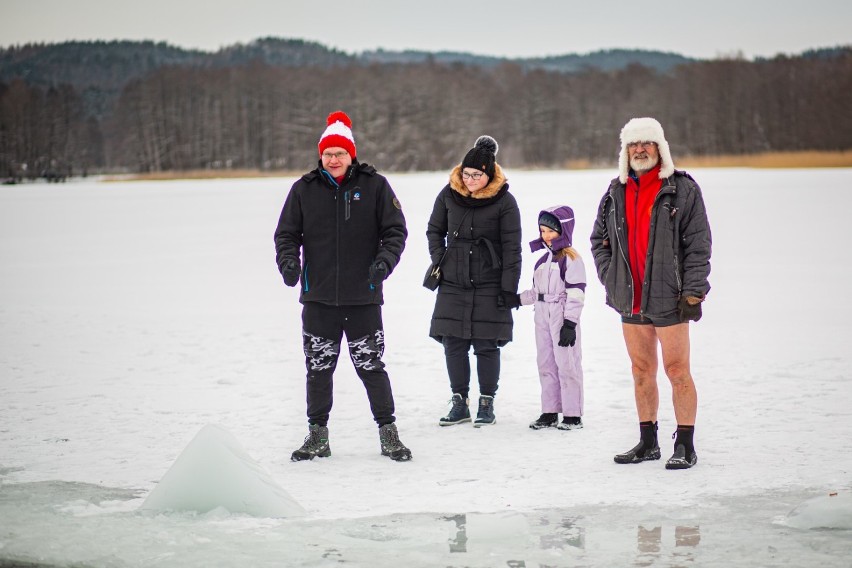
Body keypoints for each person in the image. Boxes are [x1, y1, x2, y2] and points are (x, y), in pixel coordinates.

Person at [274, 110, 412, 462]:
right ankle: (317, 436)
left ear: (352, 154)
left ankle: (389, 434)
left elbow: (395, 231)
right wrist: (289, 263)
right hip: (318, 299)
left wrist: (384, 262)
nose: (333, 159)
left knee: (371, 367)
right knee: (318, 370)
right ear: (321, 155)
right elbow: (286, 234)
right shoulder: (303, 190)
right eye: (328, 153)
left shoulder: (374, 186)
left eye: (340, 153)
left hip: (362, 298)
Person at [590, 117, 711, 470]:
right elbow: (599, 239)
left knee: (677, 370)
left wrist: (693, 292)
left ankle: (685, 444)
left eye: (646, 143)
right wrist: (610, 276)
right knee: (641, 370)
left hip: (670, 297)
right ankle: (648, 442)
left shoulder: (682, 189)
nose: (640, 149)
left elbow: (698, 244)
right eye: (633, 144)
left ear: (660, 148)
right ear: (625, 150)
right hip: (630, 297)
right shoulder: (616, 190)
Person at [426, 135, 522, 427]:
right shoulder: (447, 194)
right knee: (453, 343)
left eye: (476, 175)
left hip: (489, 284)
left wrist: (508, 288)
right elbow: (434, 230)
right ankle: (459, 402)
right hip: (453, 284)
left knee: (486, 345)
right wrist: (442, 258)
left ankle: (486, 403)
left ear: (488, 174)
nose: (469, 180)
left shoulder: (505, 201)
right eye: (466, 174)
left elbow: (512, 248)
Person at [514, 206, 587, 430]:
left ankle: (573, 414)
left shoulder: (571, 259)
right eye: (542, 230)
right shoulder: (542, 261)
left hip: (561, 316)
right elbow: (537, 292)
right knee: (545, 363)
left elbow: (576, 293)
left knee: (567, 364)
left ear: (563, 230)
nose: (546, 236)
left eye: (551, 231)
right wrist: (516, 300)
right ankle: (550, 411)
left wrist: (570, 323)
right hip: (541, 316)